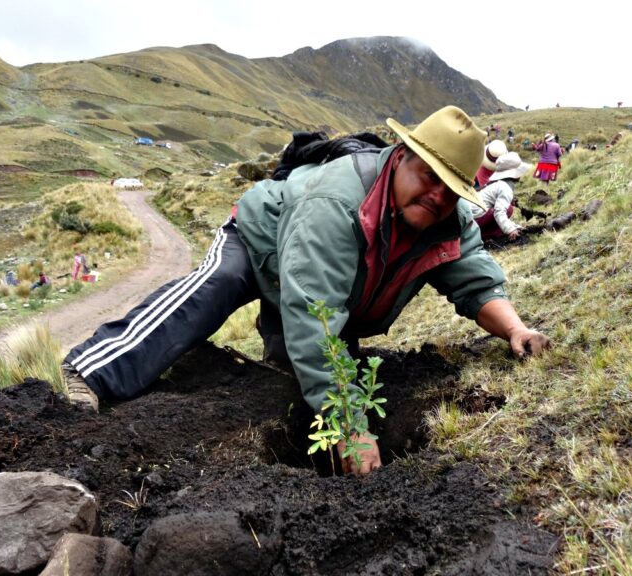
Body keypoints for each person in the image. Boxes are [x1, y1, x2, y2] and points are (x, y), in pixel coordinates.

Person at [61, 105, 551, 476]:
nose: (436, 195)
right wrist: (351, 430)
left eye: (451, 189)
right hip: (262, 243)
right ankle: (93, 369)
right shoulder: (335, 205)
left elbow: (475, 280)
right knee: (216, 288)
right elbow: (316, 321)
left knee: (293, 376)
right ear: (400, 158)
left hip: (325, 289)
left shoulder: (449, 221)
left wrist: (515, 329)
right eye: (428, 177)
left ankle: (279, 350)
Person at [470, 152, 530, 242]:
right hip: (475, 219)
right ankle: (485, 235)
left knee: (507, 208)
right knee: (508, 209)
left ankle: (488, 233)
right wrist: (510, 229)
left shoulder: (499, 184)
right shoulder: (505, 187)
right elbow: (499, 212)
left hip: (472, 216)